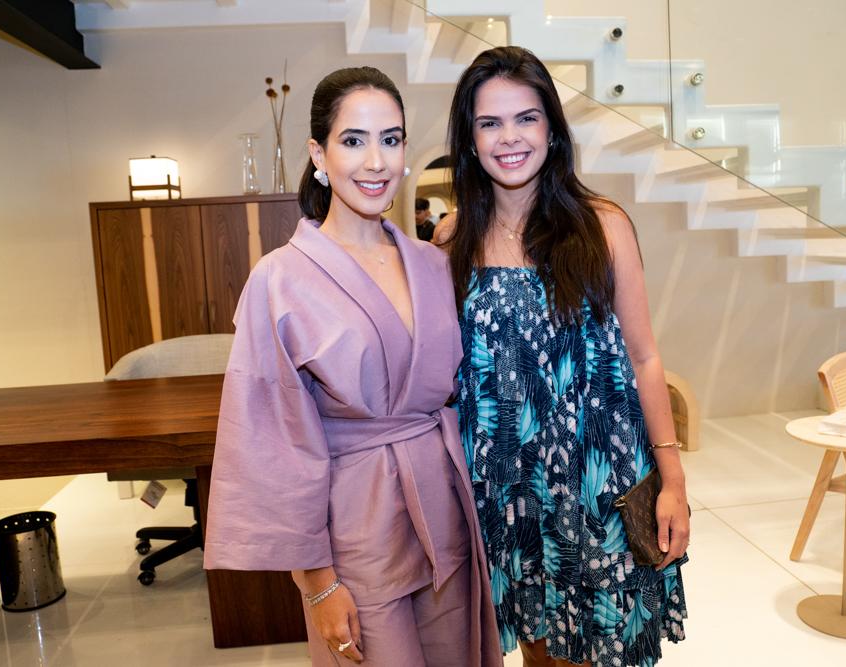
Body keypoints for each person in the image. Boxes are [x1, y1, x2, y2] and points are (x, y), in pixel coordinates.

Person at [203, 66, 502, 667]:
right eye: (353, 140)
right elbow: (275, 443)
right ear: (319, 153)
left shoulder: (433, 263)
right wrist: (317, 582)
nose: (376, 161)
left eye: (390, 140)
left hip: (446, 511)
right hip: (357, 533)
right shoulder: (280, 279)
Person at [435, 47, 689, 667]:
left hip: (598, 482)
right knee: (539, 652)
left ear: (552, 128)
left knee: (603, 648)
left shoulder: (602, 226)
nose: (509, 137)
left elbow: (644, 357)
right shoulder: (451, 239)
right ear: (469, 141)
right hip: (507, 490)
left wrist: (674, 481)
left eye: (526, 118)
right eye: (489, 123)